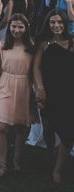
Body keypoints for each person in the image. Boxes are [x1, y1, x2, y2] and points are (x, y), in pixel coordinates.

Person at [0, 14, 34, 178]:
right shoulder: (2, 46)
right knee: (2, 127)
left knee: (20, 127)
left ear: (26, 28)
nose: (16, 30)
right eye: (13, 26)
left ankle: (16, 160)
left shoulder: (31, 47)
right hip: (5, 85)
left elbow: (34, 72)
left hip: (23, 86)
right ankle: (2, 165)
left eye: (20, 27)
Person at [33, 10, 74, 184]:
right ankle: (52, 152)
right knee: (48, 128)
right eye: (52, 22)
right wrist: (40, 89)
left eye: (59, 22)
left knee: (68, 133)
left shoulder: (72, 42)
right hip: (48, 92)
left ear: (65, 24)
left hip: (69, 92)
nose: (56, 26)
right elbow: (36, 68)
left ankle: (58, 169)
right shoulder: (44, 43)